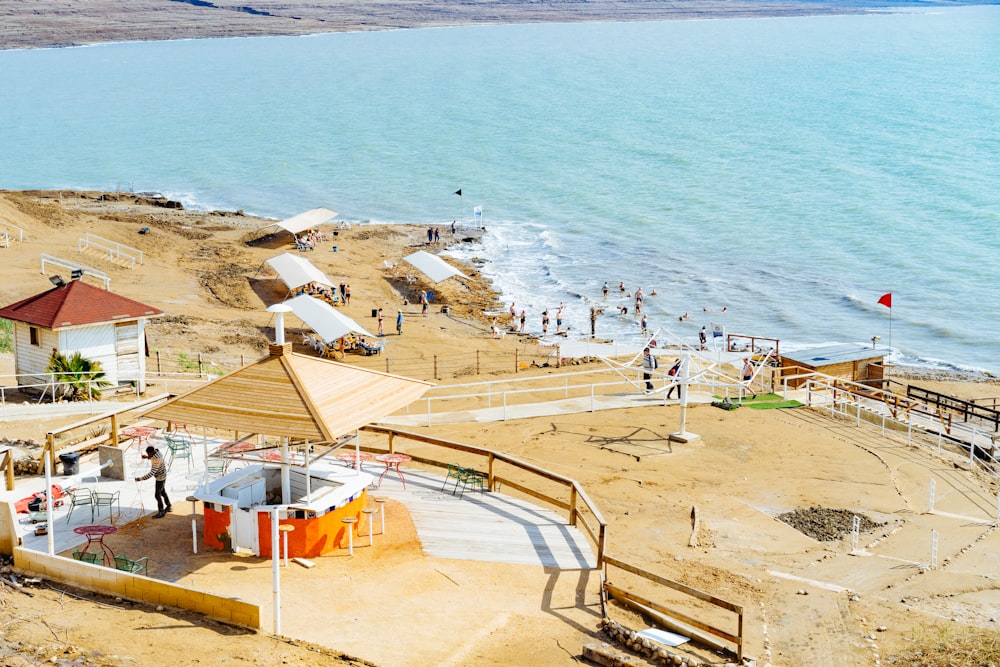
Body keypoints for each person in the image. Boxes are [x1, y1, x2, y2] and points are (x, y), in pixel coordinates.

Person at [135, 446, 170, 518]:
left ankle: (161, 511)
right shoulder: (157, 452)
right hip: (163, 475)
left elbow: (151, 473)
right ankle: (169, 505)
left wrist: (140, 479)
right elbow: (152, 456)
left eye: (148, 454)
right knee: (162, 492)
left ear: (152, 452)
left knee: (157, 495)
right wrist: (147, 457)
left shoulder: (157, 459)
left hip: (160, 478)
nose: (148, 455)